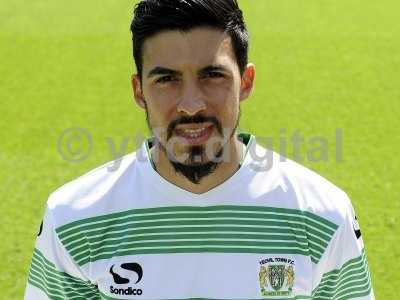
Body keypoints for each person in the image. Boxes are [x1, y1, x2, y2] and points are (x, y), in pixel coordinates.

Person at [24, 0, 374, 299]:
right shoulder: (74, 220)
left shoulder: (322, 217)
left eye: (212, 76)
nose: (191, 105)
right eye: (166, 79)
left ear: (246, 82)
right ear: (139, 91)